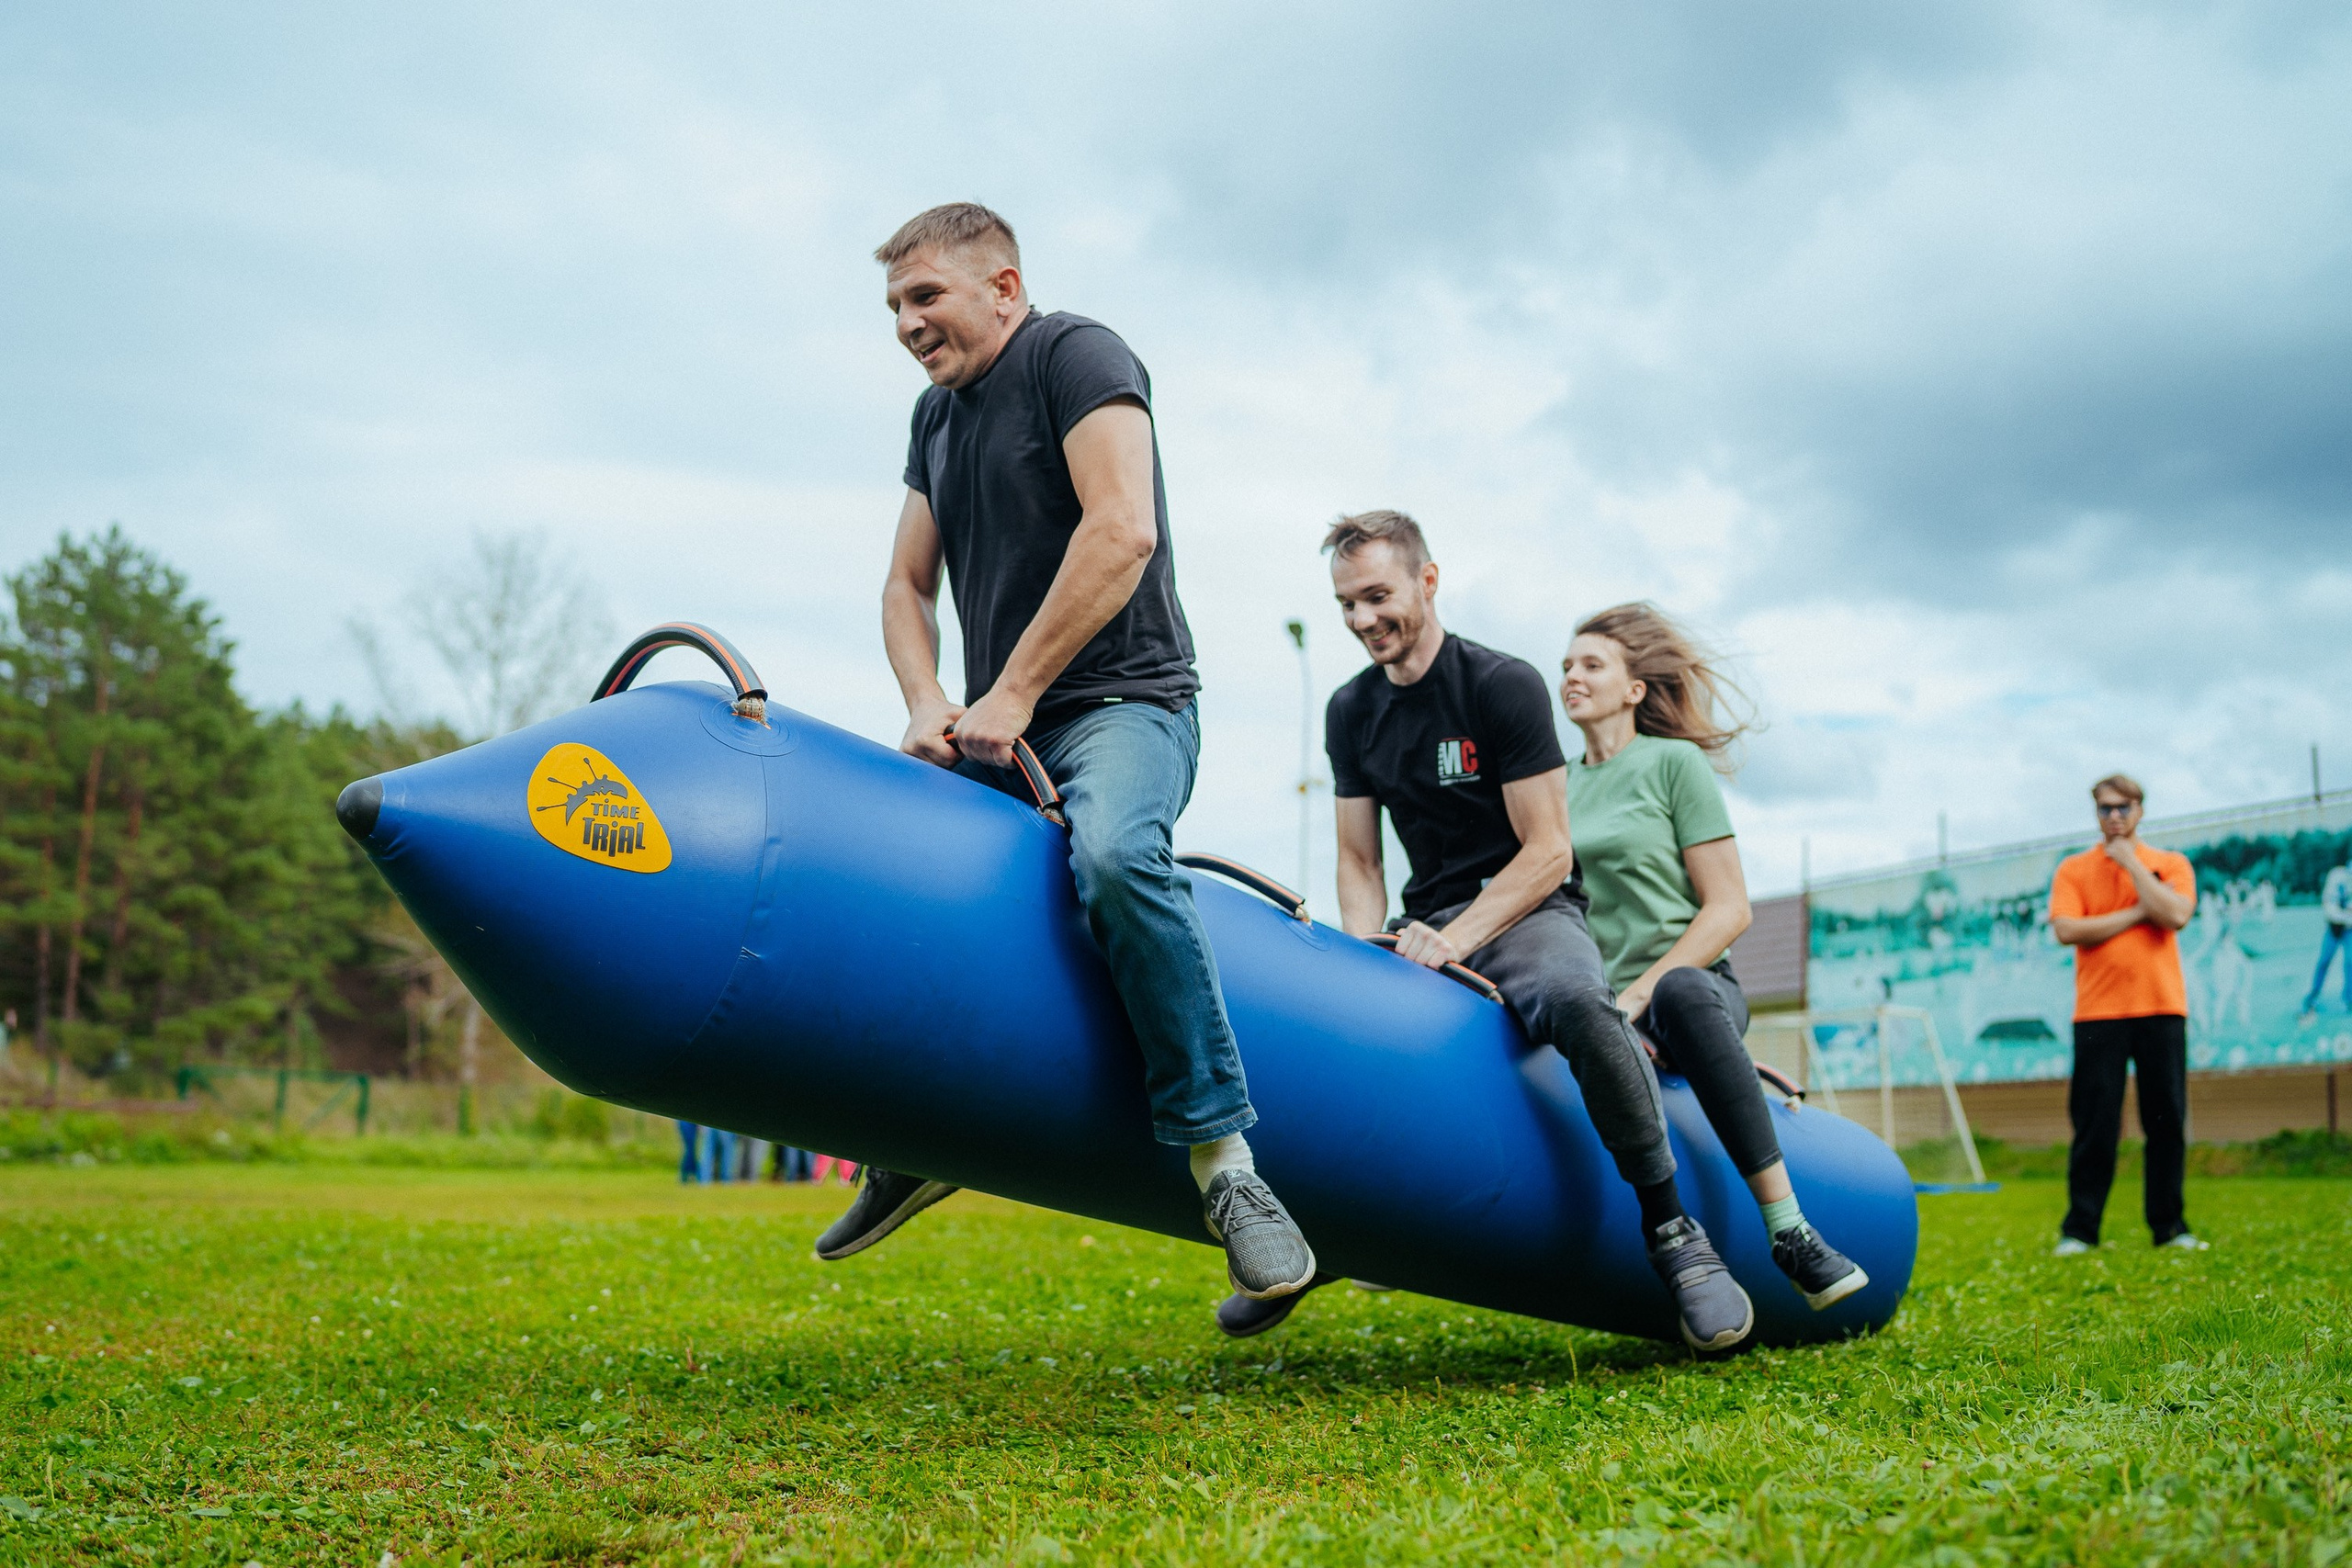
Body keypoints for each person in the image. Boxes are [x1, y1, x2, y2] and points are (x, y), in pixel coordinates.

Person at [815, 202, 1316, 1302]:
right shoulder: (932, 422)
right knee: (900, 888)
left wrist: (1015, 689)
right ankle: (918, 1139)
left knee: (1116, 860)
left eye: (924, 296)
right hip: (999, 717)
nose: (905, 323)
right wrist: (926, 697)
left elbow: (1121, 528)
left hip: (1125, 703)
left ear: (1002, 287)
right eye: (893, 305)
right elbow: (905, 583)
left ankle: (1226, 1166)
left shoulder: (1075, 354)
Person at [1216, 511, 1754, 1352]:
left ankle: (1676, 1234)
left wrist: (1455, 939)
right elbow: (1359, 862)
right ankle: (1323, 1236)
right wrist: (1361, 956)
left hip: (1528, 911)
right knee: (1340, 1033)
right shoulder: (1349, 711)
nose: (1362, 620)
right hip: (1421, 921)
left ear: (1428, 582)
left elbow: (1549, 850)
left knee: (1582, 1002)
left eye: (1377, 596)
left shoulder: (1501, 684)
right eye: (1346, 603)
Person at [1559, 604, 1867, 1309]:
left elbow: (1728, 906)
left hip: (1693, 991)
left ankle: (1790, 1230)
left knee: (1683, 992)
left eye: (1591, 664)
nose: (1572, 677)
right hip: (1598, 1008)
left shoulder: (1673, 764)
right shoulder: (1557, 787)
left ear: (1636, 688)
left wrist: (1633, 999)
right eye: (1567, 666)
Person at [2050, 773, 2202, 1254]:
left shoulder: (2170, 863)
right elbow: (2068, 929)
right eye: (2105, 809)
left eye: (2123, 808)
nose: (2114, 817)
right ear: (2096, 813)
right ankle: (2080, 1231)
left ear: (2140, 810)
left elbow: (2176, 915)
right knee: (2095, 1124)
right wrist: (2140, 913)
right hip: (2098, 1015)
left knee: (2166, 1121)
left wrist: (2132, 866)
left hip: (2162, 1009)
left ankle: (2170, 1228)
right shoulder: (2073, 870)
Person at [2301, 858, 2352, 1020]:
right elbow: (2330, 909)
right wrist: (2346, 917)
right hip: (2334, 927)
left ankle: (2349, 999)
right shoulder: (2337, 877)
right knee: (2324, 960)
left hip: (2349, 929)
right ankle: (2312, 996)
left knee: (2350, 962)